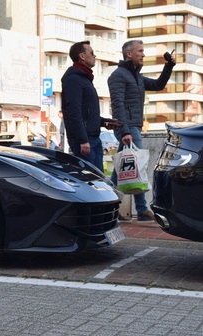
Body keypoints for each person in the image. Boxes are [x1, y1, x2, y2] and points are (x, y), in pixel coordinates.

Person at [108, 39, 176, 222]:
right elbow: (117, 105)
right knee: (137, 165)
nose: (143, 54)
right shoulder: (118, 76)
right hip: (127, 128)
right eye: (140, 51)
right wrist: (124, 131)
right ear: (129, 54)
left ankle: (109, 205)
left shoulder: (136, 77)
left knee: (121, 170)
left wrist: (168, 66)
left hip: (133, 127)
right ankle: (141, 209)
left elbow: (158, 85)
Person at [61, 41, 118, 171]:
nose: (94, 56)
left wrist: (104, 122)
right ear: (82, 56)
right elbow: (73, 112)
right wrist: (82, 140)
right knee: (92, 182)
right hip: (86, 141)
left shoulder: (84, 78)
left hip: (93, 138)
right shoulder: (74, 79)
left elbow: (86, 113)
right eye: (91, 53)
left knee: (98, 180)